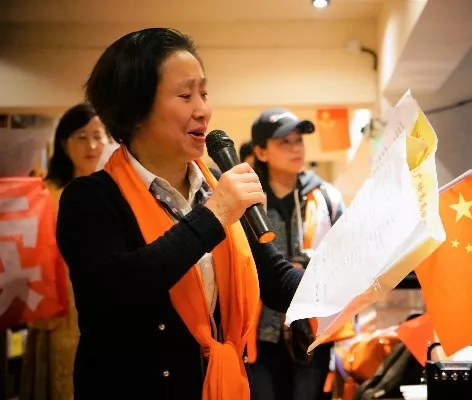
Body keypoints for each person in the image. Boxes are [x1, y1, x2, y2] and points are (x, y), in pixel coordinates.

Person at [54, 28, 303, 400]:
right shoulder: (90, 198)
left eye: (204, 93)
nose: (203, 109)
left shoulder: (216, 184)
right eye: (186, 96)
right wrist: (214, 214)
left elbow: (278, 281)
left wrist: (361, 274)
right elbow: (117, 290)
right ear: (135, 109)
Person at [247, 108, 355, 400]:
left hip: (312, 331)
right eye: (284, 142)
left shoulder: (327, 197)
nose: (296, 148)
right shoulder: (247, 200)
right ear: (261, 151)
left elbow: (348, 256)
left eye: (298, 140)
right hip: (258, 332)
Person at [21, 103, 109, 400]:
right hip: (59, 301)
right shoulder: (45, 193)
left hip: (102, 300)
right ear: (63, 142)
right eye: (81, 137)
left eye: (98, 136)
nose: (92, 146)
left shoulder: (111, 191)